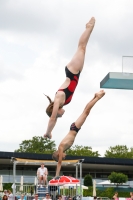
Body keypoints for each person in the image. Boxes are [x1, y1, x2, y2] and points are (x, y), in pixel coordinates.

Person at [44, 17, 95, 139]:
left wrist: (47, 132)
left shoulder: (58, 99)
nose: (60, 116)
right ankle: (89, 29)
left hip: (72, 72)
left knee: (81, 47)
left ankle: (88, 27)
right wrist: (51, 132)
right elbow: (54, 119)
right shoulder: (61, 103)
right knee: (83, 48)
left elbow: (52, 119)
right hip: (76, 74)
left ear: (55, 112)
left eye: (58, 115)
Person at [52, 90, 105, 177]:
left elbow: (60, 162)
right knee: (85, 111)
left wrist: (57, 175)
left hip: (74, 128)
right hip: (74, 128)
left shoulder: (60, 148)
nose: (64, 157)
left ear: (58, 155)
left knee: (86, 111)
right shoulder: (62, 147)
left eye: (61, 157)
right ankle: (95, 97)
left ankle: (97, 97)